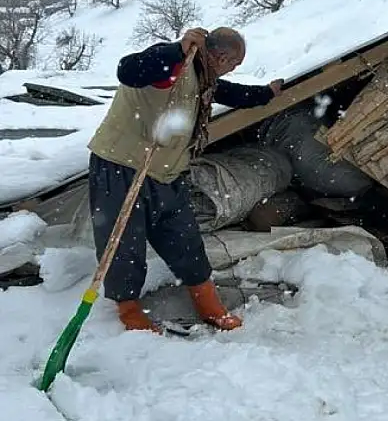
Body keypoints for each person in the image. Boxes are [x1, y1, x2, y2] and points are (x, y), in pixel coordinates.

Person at [87, 27, 284, 333]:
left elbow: (232, 94)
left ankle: (207, 301)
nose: (233, 69)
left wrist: (266, 94)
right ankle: (128, 309)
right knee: (124, 241)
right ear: (220, 57)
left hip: (167, 172)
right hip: (123, 166)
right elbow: (128, 70)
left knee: (184, 236)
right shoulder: (172, 64)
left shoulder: (203, 78)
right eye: (234, 63)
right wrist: (177, 50)